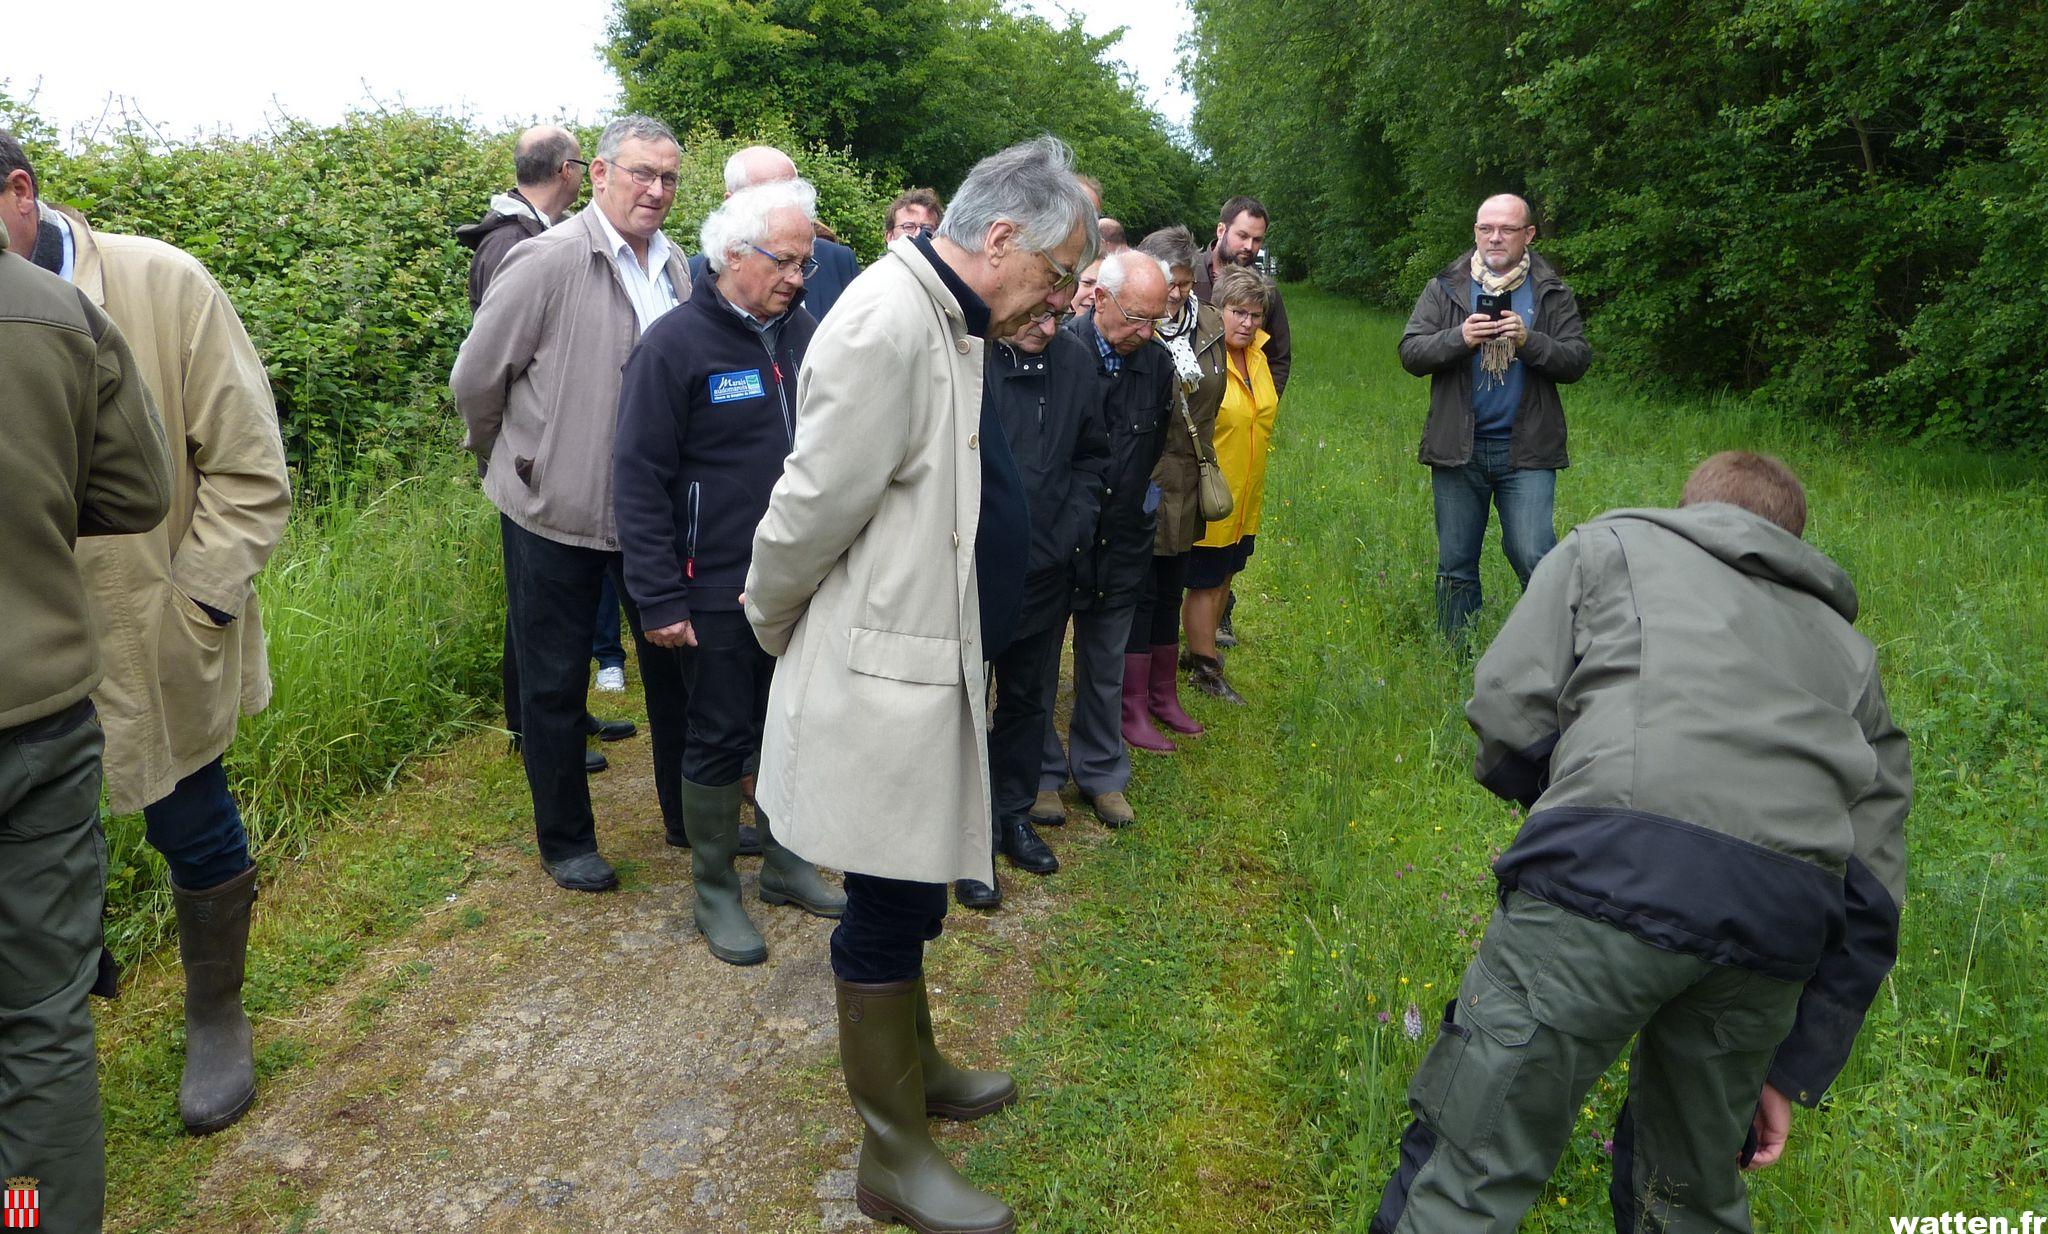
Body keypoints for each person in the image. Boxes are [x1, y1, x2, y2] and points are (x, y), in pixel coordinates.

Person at [1370, 452, 1910, 1234]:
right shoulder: (1853, 658)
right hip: (1778, 923)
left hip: (1603, 877)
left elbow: (1504, 706)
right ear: (1793, 542)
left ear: (1691, 508)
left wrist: (1570, 805)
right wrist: (1793, 1067)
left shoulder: (1608, 548)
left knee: (1473, 1162)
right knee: (1690, 1198)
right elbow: (1875, 883)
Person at [744, 135, 1094, 1234]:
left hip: (929, 654)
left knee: (915, 885)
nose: (1054, 300)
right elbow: (808, 509)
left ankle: (921, 1066)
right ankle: (889, 1154)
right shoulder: (887, 321)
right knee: (888, 902)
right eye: (1052, 275)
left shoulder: (950, 314)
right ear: (1000, 239)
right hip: (877, 664)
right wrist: (766, 620)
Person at [3, 131, 294, 1139]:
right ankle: (58, 1023)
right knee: (39, 853)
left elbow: (252, 469)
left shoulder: (161, 283)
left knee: (190, 814)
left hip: (152, 633)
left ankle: (216, 1012)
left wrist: (197, 601)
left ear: (20, 193)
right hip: (22, 664)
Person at [451, 114, 694, 893]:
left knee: (678, 674)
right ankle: (566, 840)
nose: (655, 191)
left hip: (652, 515)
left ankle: (691, 817)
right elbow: (477, 378)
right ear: (597, 173)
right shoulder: (545, 259)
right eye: (640, 174)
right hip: (553, 510)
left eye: (668, 179)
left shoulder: (678, 267)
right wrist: (515, 458)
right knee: (553, 682)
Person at [613, 178, 846, 965]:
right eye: (786, 261)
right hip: (710, 585)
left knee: (793, 723)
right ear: (732, 254)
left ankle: (784, 866)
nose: (797, 278)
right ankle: (715, 890)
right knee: (718, 735)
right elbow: (636, 478)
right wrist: (657, 596)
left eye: (804, 265)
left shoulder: (801, 332)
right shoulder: (674, 347)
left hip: (796, 577)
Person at [0, 215, 170, 1234]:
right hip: (40, 720)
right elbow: (137, 490)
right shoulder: (57, 310)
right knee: (39, 1021)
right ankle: (28, 1218)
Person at [456, 125, 635, 767]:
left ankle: (568, 718)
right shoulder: (515, 242)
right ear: (574, 171)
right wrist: (504, 449)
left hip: (591, 478)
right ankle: (534, 733)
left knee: (551, 621)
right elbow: (486, 369)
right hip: (538, 476)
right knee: (537, 624)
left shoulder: (537, 232)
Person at [958, 298, 1110, 909]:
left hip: (1046, 569)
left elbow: (1092, 458)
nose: (1046, 330)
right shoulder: (969, 357)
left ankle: (1013, 815)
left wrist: (1071, 526)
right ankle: (965, 841)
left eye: (1056, 317)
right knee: (962, 704)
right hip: (969, 570)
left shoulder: (1073, 364)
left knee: (1027, 701)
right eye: (1033, 317)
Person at [1397, 193, 1591, 641]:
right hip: (1458, 449)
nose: (1495, 237)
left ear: (1529, 235)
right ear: (1476, 234)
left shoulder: (1550, 290)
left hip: (1527, 450)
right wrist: (1460, 337)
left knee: (1535, 556)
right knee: (1456, 565)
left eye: (1506, 229)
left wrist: (1530, 341)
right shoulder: (1446, 287)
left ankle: (1549, 654)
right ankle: (1454, 659)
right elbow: (1410, 352)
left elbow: (1577, 360)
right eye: (1486, 229)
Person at [1041, 249, 1173, 828]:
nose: (1145, 332)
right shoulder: (1055, 353)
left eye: (1156, 319)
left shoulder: (1157, 362)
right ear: (1098, 300)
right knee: (1039, 662)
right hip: (1061, 538)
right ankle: (1041, 773)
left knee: (1105, 661)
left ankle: (1100, 772)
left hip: (1122, 539)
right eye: (1136, 318)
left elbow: (1152, 448)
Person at [1120, 226, 1225, 753]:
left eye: (1186, 283)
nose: (1178, 294)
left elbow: (1211, 398)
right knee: (1139, 593)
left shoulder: (1208, 325)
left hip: (1189, 475)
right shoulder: (1136, 324)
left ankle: (1163, 696)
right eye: (1170, 282)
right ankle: (1132, 704)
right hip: (1145, 479)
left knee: (1170, 587)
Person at [1181, 267, 1279, 705]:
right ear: (1218, 310)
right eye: (1238, 312)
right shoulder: (1204, 356)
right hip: (1211, 492)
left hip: (1247, 495)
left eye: (1255, 314)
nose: (1247, 323)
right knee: (1205, 579)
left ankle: (1201, 654)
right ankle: (1204, 667)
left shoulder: (1258, 356)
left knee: (1227, 574)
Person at [687, 145, 861, 320]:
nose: (796, 279)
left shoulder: (837, 262)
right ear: (731, 203)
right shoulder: (692, 277)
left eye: (794, 194)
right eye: (767, 199)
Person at [454, 125, 586, 311]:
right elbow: (503, 335)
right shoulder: (508, 244)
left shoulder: (535, 233)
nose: (583, 175)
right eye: (582, 166)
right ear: (567, 170)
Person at [1194, 195, 1291, 398]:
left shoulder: (1266, 291)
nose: (1249, 246)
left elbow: (1279, 357)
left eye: (1257, 240)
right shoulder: (1187, 277)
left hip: (1244, 413)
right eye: (1242, 236)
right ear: (1221, 230)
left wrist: (1264, 402)